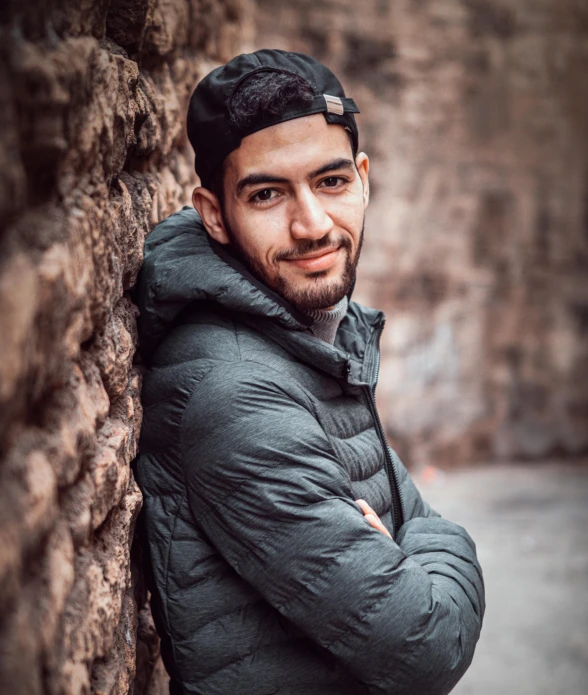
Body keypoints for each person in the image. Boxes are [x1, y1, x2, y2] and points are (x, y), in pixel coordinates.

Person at [133, 49, 485, 695]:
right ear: (214, 213)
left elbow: (411, 517)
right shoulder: (235, 392)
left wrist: (414, 546)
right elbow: (430, 644)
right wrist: (436, 543)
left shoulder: (316, 332)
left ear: (363, 177)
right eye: (267, 193)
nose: (313, 225)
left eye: (331, 182)